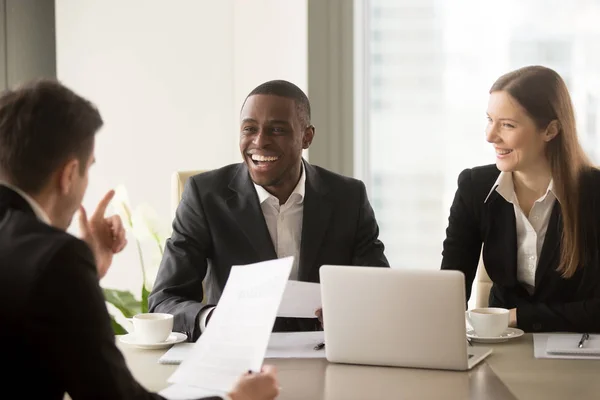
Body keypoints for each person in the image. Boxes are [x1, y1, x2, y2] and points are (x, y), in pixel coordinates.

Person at [0, 79, 279, 400]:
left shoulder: (49, 259)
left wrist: (86, 267)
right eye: (88, 170)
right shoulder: (58, 259)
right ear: (68, 175)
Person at [149, 80, 389, 340]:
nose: (259, 142)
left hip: (325, 356)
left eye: (277, 130)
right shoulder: (205, 196)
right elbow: (165, 300)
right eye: (249, 129)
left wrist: (351, 311)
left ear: (306, 136)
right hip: (237, 359)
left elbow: (378, 291)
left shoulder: (348, 198)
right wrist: (213, 318)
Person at [442, 65, 600, 333]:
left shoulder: (593, 194)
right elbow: (448, 292)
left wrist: (518, 317)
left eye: (507, 125)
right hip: (500, 344)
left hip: (577, 355)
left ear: (550, 131)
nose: (491, 136)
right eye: (490, 120)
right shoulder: (474, 187)